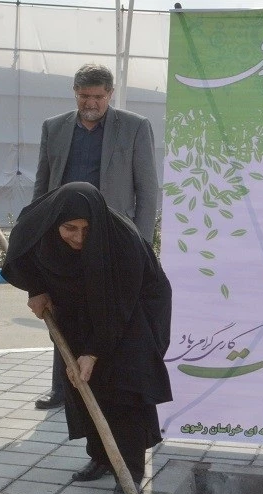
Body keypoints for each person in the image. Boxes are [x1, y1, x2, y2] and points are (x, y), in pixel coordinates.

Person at [1, 182, 172, 494]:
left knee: (125, 383)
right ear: (55, 223)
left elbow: (117, 310)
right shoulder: (37, 224)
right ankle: (102, 457)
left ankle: (130, 474)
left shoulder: (123, 244)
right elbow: (20, 257)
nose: (79, 238)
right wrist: (36, 289)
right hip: (76, 306)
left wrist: (93, 351)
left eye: (86, 229)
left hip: (133, 309)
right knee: (83, 383)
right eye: (69, 229)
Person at [32, 63, 160, 410]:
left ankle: (106, 383)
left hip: (112, 241)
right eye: (85, 95)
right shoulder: (54, 128)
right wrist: (37, 237)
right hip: (63, 239)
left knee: (107, 312)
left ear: (111, 94)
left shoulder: (134, 127)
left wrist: (142, 246)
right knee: (62, 312)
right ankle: (61, 387)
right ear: (75, 92)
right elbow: (42, 186)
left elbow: (148, 192)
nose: (91, 103)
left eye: (98, 97)